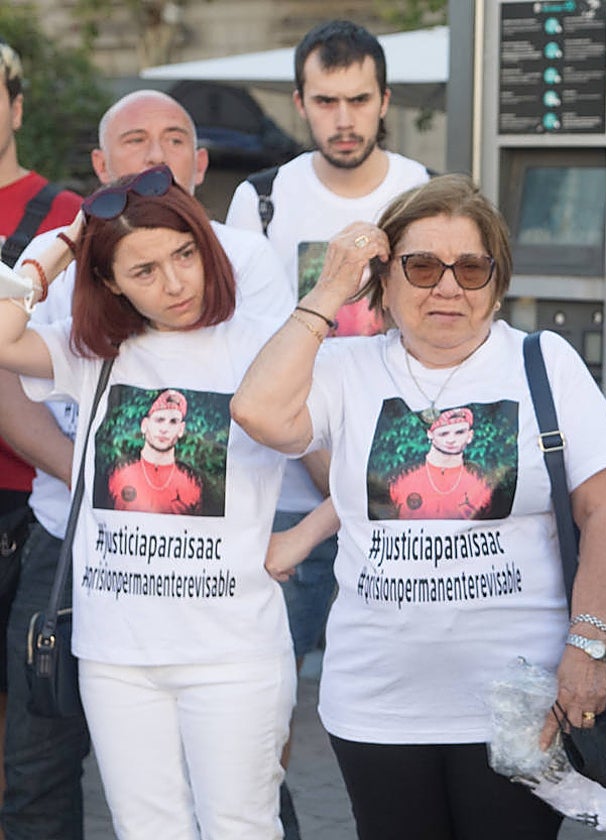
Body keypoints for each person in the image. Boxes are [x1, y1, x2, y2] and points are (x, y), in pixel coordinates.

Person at [231, 174, 606, 840]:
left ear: (496, 281)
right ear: (385, 280)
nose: (448, 286)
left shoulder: (543, 362)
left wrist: (588, 648)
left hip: (519, 704)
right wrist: (329, 291)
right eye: (421, 266)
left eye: (470, 267)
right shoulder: (347, 368)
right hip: (377, 706)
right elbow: (257, 411)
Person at [0, 89, 291, 840]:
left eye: (186, 256)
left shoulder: (259, 337)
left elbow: (334, 437)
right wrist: (65, 240)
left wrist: (309, 531)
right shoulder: (91, 349)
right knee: (145, 828)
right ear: (112, 284)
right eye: (145, 271)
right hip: (115, 651)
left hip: (230, 649)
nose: (174, 283)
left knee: (241, 826)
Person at [224, 23, 432, 770]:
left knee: (413, 714)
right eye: (325, 101)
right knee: (262, 716)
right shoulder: (263, 200)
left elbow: (441, 349)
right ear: (299, 104)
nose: (342, 119)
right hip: (283, 494)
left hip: (403, 494)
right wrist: (321, 460)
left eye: (357, 100)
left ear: (383, 102)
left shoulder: (423, 190)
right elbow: (252, 352)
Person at [0, 36, 84, 828]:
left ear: (17, 105)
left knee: (31, 738)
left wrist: (85, 477)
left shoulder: (62, 216)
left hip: (29, 507)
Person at [104, 389, 202, 515]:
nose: (165, 429)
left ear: (181, 429)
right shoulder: (117, 474)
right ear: (144, 425)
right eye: (159, 420)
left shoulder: (192, 483)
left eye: (173, 422)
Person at [388, 407, 494, 520]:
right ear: (430, 434)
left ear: (470, 435)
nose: (451, 440)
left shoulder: (483, 482)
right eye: (443, 433)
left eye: (459, 432)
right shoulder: (399, 478)